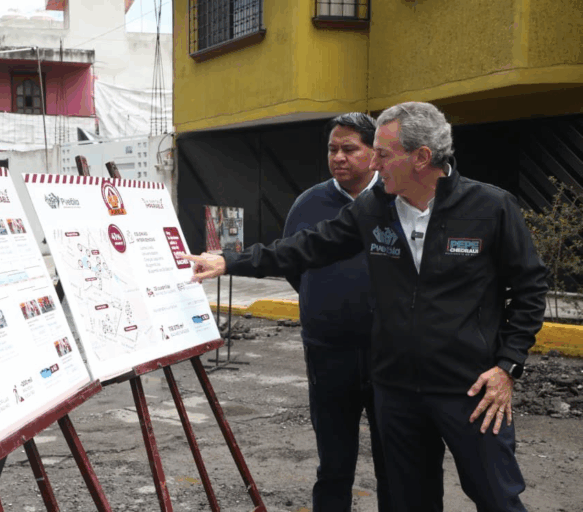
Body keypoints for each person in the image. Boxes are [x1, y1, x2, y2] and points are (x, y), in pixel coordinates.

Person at [179, 101, 548, 512]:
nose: (374, 163)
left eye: (383, 154)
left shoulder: (490, 208)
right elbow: (307, 246)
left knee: (496, 497)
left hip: (471, 388)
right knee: (410, 501)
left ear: (422, 158)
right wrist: (229, 261)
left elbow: (530, 288)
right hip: (397, 388)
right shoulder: (373, 210)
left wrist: (508, 366)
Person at [282, 113, 390, 512]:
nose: (338, 157)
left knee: (393, 463)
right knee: (334, 463)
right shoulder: (308, 204)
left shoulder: (396, 199)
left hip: (389, 353)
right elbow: (293, 264)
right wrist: (323, 299)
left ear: (373, 151)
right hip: (328, 352)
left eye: (349, 149)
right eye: (332, 149)